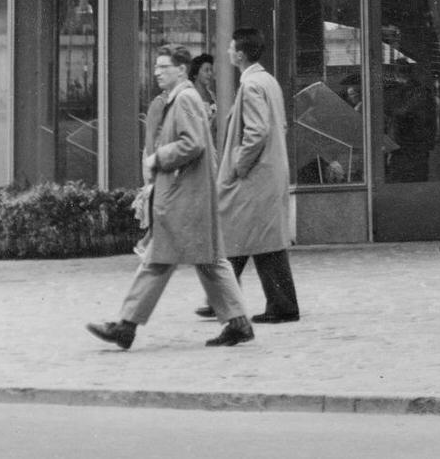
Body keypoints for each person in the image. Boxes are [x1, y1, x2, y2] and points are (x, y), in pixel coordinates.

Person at [86, 46, 253, 350]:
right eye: (156, 67)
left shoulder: (185, 99)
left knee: (158, 261)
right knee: (210, 260)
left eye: (164, 66)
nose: (157, 71)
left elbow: (194, 144)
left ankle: (126, 326)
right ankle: (238, 322)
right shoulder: (182, 99)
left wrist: (157, 158)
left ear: (181, 70)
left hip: (183, 198)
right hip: (189, 197)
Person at [201, 27, 300, 324]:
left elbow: (256, 132)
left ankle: (238, 300)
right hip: (270, 171)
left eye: (231, 48)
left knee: (244, 235)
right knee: (259, 239)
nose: (228, 52)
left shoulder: (252, 85)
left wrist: (238, 166)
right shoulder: (268, 81)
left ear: (240, 54)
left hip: (256, 175)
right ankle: (230, 298)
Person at [189, 52, 217, 117]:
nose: (210, 73)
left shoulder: (212, 94)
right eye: (206, 70)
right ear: (195, 74)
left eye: (211, 70)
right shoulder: (190, 95)